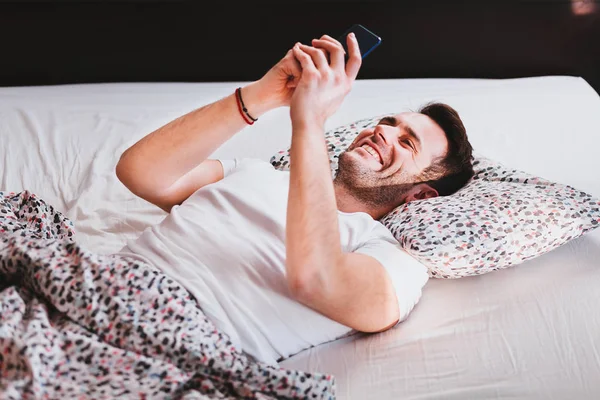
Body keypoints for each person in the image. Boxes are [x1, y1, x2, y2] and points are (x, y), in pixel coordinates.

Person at [115, 33, 475, 366]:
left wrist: (310, 121)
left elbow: (316, 279)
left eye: (407, 143)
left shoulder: (394, 261)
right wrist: (260, 96)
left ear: (422, 194)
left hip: (169, 341)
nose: (384, 131)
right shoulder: (256, 173)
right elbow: (140, 172)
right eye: (388, 122)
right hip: (103, 281)